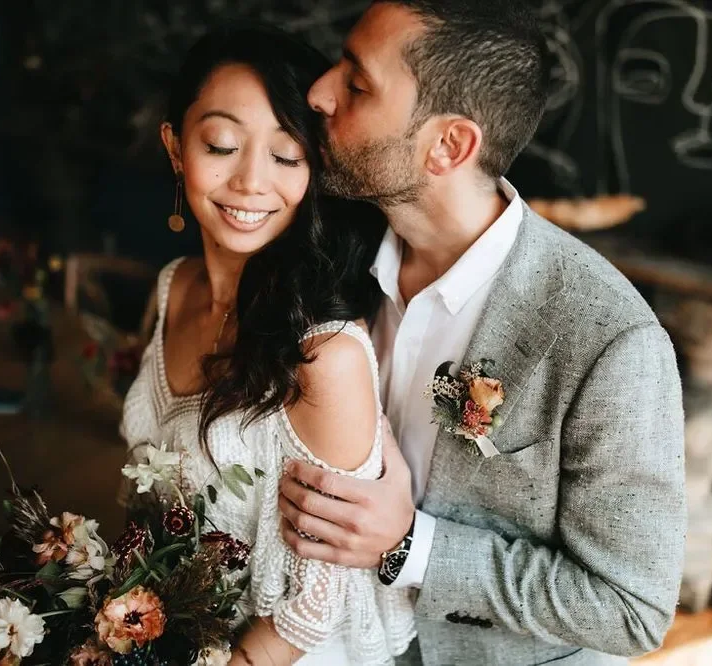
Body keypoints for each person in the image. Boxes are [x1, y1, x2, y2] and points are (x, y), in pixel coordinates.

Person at [277, 1, 687, 664]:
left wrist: (412, 547)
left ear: (449, 145)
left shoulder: (610, 341)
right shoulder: (330, 246)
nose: (319, 94)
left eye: (357, 85)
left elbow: (630, 609)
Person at [119, 25, 415, 666]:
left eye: (286, 157)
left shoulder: (323, 354)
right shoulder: (174, 287)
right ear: (175, 147)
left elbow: (316, 605)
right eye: (221, 144)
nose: (252, 182)